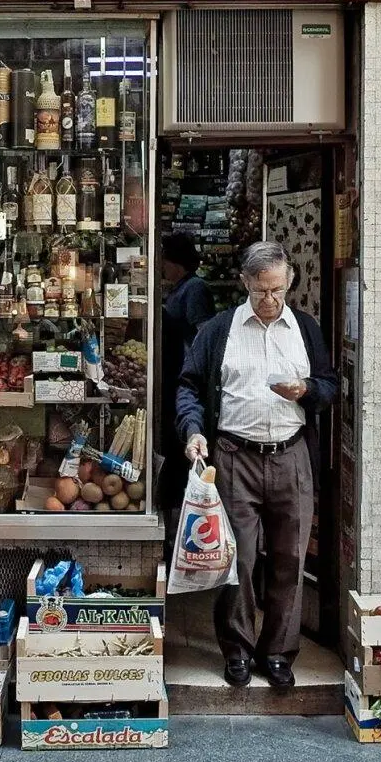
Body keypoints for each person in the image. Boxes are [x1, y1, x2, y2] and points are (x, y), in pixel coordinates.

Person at [176, 241, 338, 690]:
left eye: (277, 291)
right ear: (246, 282)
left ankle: (279, 652)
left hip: (291, 455)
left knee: (289, 558)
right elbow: (189, 384)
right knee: (240, 560)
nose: (269, 300)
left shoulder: (305, 329)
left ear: (288, 283)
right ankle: (238, 650)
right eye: (261, 290)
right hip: (233, 457)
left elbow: (330, 385)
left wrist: (306, 390)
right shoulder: (218, 330)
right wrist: (193, 429)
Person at [157, 233, 214, 554]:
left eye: (164, 258)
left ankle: (186, 532)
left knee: (182, 453)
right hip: (173, 378)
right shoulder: (180, 289)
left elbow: (202, 335)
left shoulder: (195, 289)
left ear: (173, 260)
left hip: (184, 380)